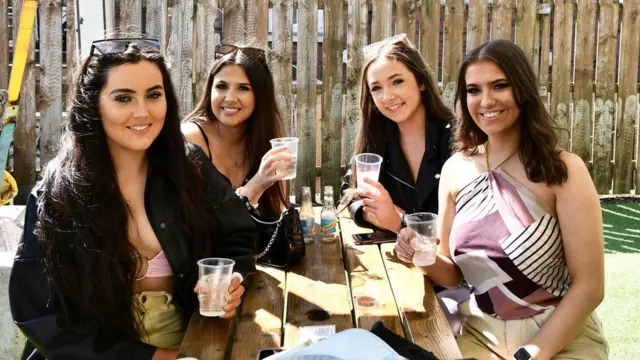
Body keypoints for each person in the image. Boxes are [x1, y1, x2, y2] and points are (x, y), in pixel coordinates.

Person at [9, 38, 257, 360]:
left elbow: (239, 234)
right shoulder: (58, 193)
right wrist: (153, 357)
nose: (143, 112)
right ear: (93, 104)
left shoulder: (189, 167)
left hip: (193, 337)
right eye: (123, 98)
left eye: (154, 95)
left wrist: (232, 279)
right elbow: (39, 315)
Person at [395, 40, 607, 359]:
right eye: (474, 90)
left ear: (522, 91)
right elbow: (452, 272)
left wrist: (531, 353)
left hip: (560, 336)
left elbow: (590, 287)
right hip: (481, 336)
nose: (486, 100)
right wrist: (418, 254)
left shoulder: (562, 170)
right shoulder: (455, 169)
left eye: (499, 86)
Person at [341, 33, 455, 233]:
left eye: (397, 81)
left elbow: (464, 225)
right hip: (390, 258)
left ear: (421, 82)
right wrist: (372, 213)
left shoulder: (456, 138)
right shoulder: (377, 136)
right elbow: (349, 192)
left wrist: (398, 222)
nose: (387, 96)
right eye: (376, 88)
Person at [182, 43, 290, 216]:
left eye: (243, 88)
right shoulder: (190, 140)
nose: (230, 98)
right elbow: (190, 224)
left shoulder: (266, 134)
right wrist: (254, 187)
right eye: (222, 86)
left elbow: (276, 209)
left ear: (260, 95)